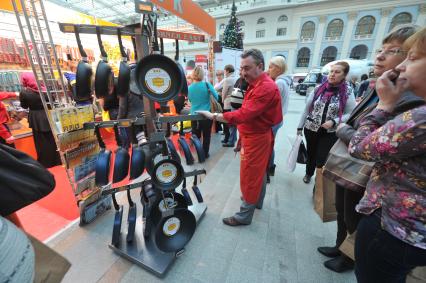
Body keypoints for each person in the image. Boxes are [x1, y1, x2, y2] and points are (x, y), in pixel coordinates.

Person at [317, 24, 420, 273]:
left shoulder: (403, 96)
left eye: (392, 50)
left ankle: (348, 257)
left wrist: (342, 130)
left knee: (354, 214)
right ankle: (341, 245)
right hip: (355, 166)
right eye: (380, 50)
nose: (380, 56)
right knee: (343, 209)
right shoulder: (379, 87)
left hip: (369, 171)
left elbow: (364, 139)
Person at [349, 27, 426, 282]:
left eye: (411, 58)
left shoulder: (416, 114)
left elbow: (360, 146)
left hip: (393, 227)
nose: (403, 66)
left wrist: (383, 105)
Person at [197, 49, 282, 226]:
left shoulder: (265, 87)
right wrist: (241, 139)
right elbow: (250, 116)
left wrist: (213, 116)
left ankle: (245, 214)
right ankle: (256, 202)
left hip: (257, 138)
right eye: (241, 68)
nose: (243, 73)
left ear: (260, 66)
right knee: (258, 173)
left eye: (247, 68)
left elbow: (243, 114)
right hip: (254, 135)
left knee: (250, 175)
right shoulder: (258, 83)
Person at [297, 62, 356, 184]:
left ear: (344, 75)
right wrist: (299, 127)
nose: (333, 74)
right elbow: (307, 109)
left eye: (337, 72)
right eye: (331, 71)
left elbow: (350, 113)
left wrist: (333, 122)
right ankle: (308, 174)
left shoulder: (348, 91)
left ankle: (318, 185)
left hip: (330, 132)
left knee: (322, 158)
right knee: (311, 153)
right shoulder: (319, 88)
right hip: (311, 128)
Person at [19, 72, 61, 168]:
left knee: (41, 142)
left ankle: (46, 162)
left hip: (36, 118)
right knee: (53, 139)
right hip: (48, 115)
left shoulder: (24, 92)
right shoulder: (45, 89)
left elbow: (24, 106)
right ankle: (57, 160)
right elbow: (52, 102)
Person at [266, 56, 291, 179]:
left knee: (268, 145)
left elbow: (270, 103)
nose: (268, 69)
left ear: (279, 68)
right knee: (270, 144)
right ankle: (270, 167)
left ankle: (269, 168)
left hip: (274, 119)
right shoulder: (283, 81)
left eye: (271, 67)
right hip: (278, 118)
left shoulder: (279, 83)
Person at [188, 66, 219, 158]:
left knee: (196, 136)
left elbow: (190, 100)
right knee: (206, 136)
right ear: (202, 75)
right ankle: (205, 154)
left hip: (194, 115)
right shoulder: (207, 85)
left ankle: (198, 153)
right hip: (206, 115)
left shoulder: (189, 88)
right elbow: (216, 97)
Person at [221, 64, 237, 147]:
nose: (224, 72)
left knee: (227, 122)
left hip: (228, 103)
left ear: (227, 71)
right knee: (233, 122)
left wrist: (222, 100)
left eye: (224, 71)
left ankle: (229, 140)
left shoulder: (227, 80)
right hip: (235, 103)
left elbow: (224, 92)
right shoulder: (236, 78)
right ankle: (232, 138)